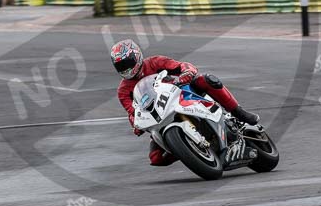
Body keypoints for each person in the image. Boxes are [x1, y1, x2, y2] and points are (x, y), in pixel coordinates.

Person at [111, 39, 260, 166]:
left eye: (128, 63)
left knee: (206, 80)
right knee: (155, 158)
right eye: (121, 66)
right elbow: (132, 112)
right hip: (158, 118)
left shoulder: (155, 62)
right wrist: (135, 124)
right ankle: (189, 151)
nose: (126, 68)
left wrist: (186, 73)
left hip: (182, 95)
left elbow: (183, 66)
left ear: (137, 56)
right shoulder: (123, 90)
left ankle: (239, 112)